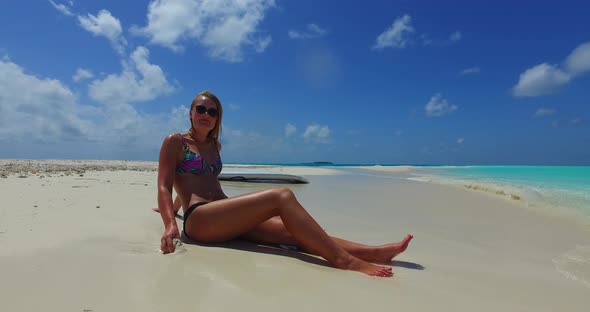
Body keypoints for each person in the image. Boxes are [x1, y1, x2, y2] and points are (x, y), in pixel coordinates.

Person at [156, 90, 413, 277]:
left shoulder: (214, 145)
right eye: (200, 109)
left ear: (217, 119)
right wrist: (171, 223)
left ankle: (373, 252)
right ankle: (344, 261)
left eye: (212, 112)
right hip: (201, 221)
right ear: (190, 113)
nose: (206, 114)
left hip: (225, 215)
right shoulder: (175, 142)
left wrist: (175, 207)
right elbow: (166, 185)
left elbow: (202, 180)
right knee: (281, 196)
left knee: (297, 230)